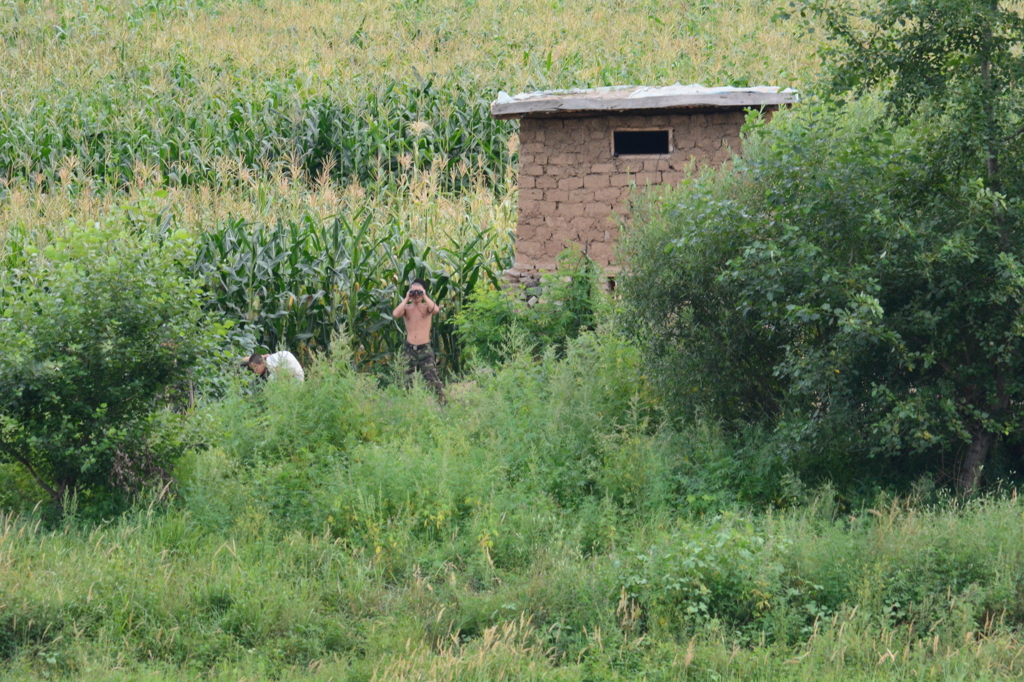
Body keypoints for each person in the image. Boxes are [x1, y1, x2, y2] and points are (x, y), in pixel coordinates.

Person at [392, 278, 445, 402]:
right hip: (409, 349)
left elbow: (436, 310)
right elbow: (395, 314)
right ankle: (407, 406)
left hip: (425, 350)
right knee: (406, 380)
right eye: (413, 292)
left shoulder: (427, 307)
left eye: (419, 292)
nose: (416, 295)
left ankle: (443, 405)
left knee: (431, 379)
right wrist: (406, 298)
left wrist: (424, 295)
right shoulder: (407, 308)